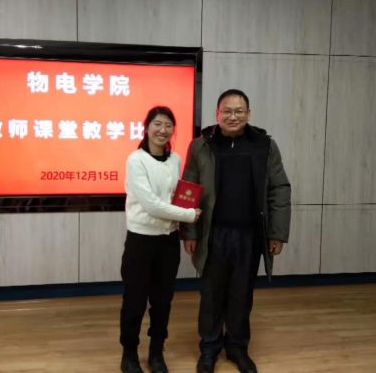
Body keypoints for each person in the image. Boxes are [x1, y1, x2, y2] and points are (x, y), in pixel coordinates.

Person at [180, 89, 291, 373]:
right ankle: (209, 348)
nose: (233, 116)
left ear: (248, 114)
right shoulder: (201, 146)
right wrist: (189, 233)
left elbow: (279, 189)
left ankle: (238, 347)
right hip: (212, 234)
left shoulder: (264, 146)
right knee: (211, 295)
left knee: (242, 294)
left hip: (249, 235)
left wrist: (276, 233)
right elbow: (188, 189)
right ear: (217, 114)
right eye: (227, 111)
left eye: (239, 111)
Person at [120, 106, 202, 373]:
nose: (162, 130)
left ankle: (156, 352)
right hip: (140, 241)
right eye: (157, 124)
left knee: (163, 301)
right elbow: (151, 205)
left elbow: (175, 196)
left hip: (168, 241)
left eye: (168, 125)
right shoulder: (136, 160)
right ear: (146, 128)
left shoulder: (175, 160)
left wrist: (186, 210)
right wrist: (189, 214)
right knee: (135, 301)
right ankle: (129, 354)